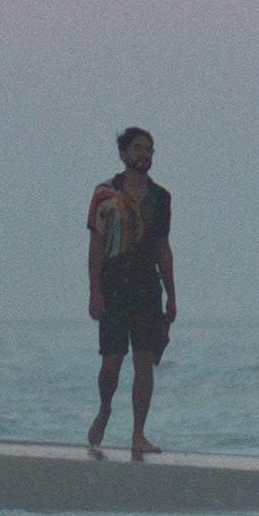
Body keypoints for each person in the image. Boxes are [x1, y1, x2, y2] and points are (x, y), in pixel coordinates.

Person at [85, 124, 175, 459]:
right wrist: (94, 291)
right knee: (111, 364)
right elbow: (95, 245)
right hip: (113, 282)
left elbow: (164, 247)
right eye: (138, 148)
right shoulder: (104, 194)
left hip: (147, 285)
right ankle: (105, 408)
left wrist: (172, 295)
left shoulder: (160, 197)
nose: (144, 155)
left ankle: (138, 433)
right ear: (123, 154)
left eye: (149, 149)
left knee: (144, 361)